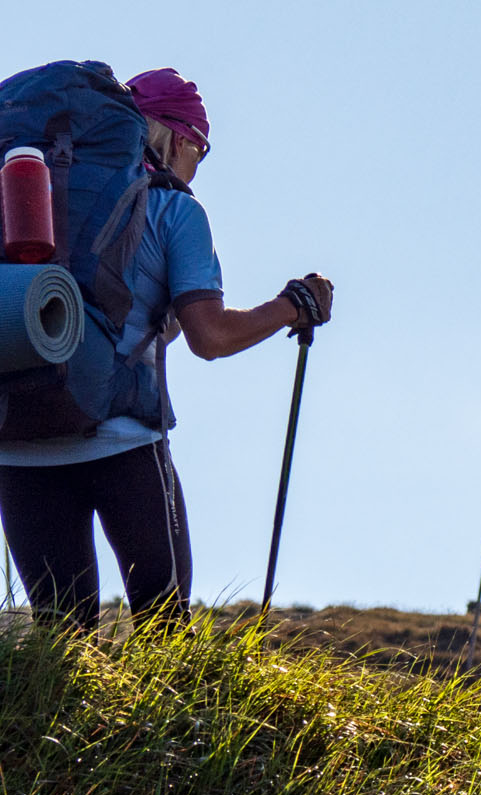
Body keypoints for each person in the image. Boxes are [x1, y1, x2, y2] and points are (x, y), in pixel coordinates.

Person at [0, 65, 333, 630]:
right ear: (180, 138)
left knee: (61, 636)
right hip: (123, 444)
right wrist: (293, 305)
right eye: (199, 152)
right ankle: (166, 725)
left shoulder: (25, 195)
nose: (196, 167)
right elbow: (212, 338)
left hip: (16, 441)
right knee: (165, 629)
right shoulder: (174, 208)